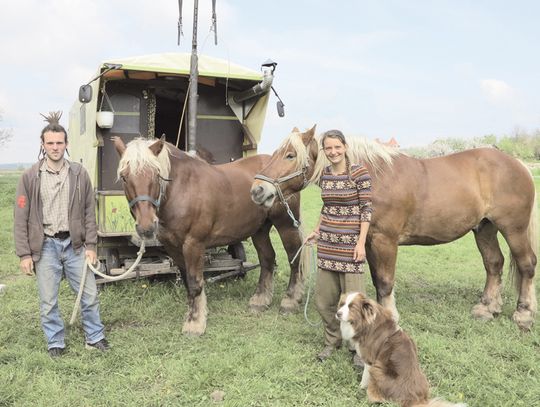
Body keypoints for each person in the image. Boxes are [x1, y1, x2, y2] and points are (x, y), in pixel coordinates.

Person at [14, 111, 109, 357]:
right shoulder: (30, 177)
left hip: (75, 245)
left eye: (59, 143)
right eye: (50, 143)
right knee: (48, 301)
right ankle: (55, 342)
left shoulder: (79, 174)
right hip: (45, 246)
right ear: (43, 145)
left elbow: (89, 211)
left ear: (66, 144)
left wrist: (91, 245)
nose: (55, 148)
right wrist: (24, 253)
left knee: (89, 295)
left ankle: (95, 337)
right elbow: (20, 217)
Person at [305, 129, 372, 366]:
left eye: (337, 147)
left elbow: (366, 210)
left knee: (354, 305)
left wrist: (361, 243)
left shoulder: (359, 174)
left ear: (345, 147)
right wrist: (316, 230)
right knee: (324, 301)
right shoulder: (324, 174)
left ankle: (358, 349)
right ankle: (332, 341)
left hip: (351, 248)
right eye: (328, 148)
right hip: (327, 247)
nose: (333, 152)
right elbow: (327, 208)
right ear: (324, 150)